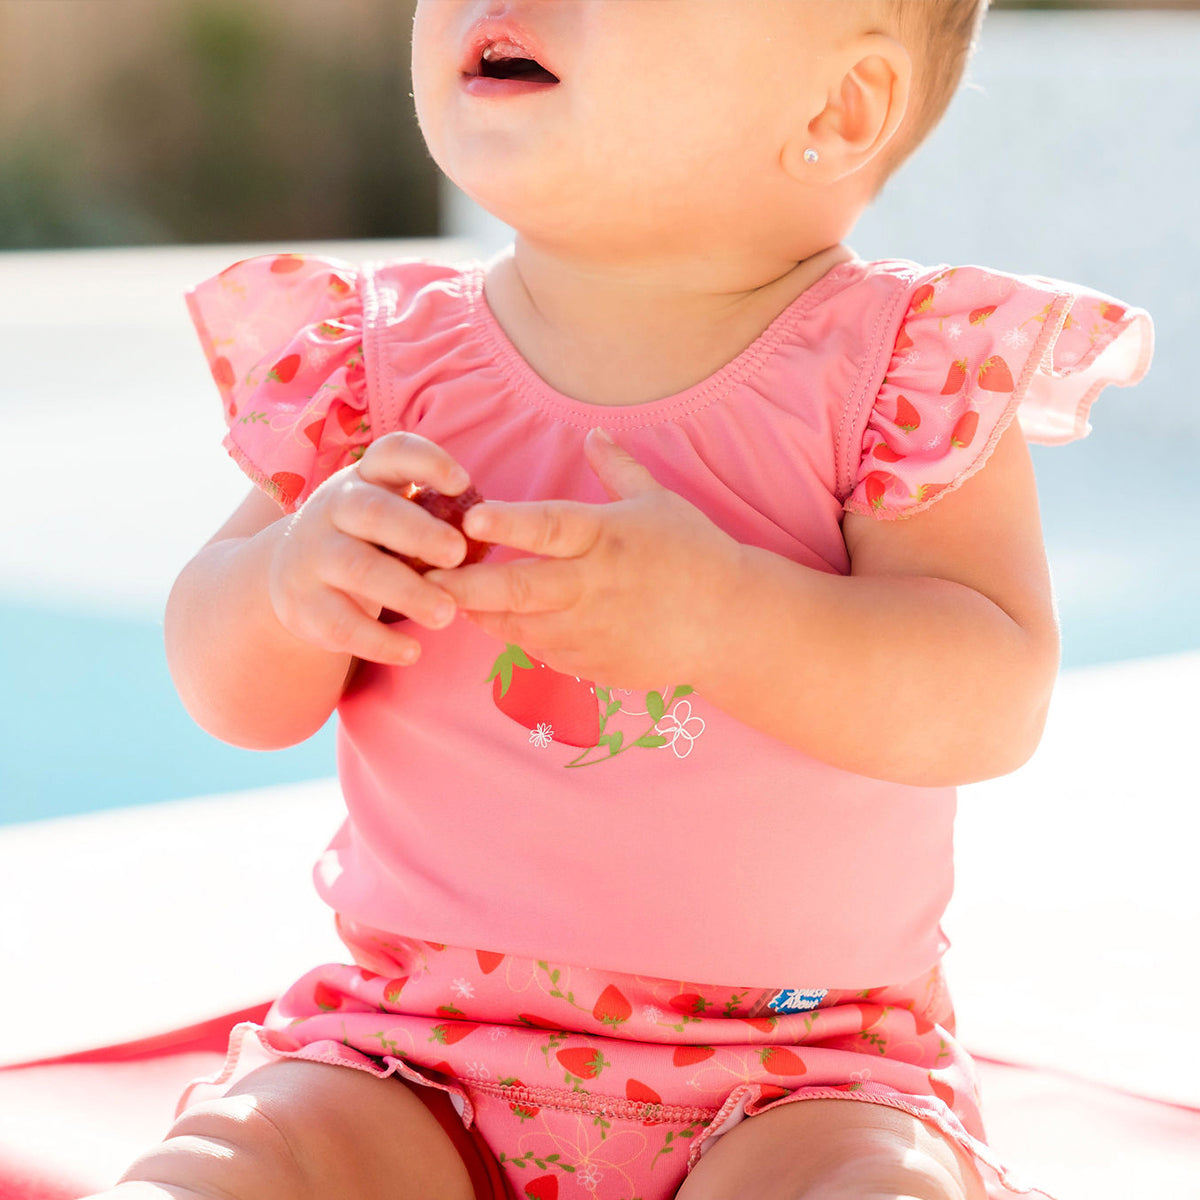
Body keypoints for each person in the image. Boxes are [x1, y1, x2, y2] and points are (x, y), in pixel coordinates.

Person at [99, 2, 1153, 1198]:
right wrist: (289, 589)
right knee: (250, 1159)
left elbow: (989, 698)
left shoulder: (895, 375)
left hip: (800, 1071)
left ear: (837, 108)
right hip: (407, 1057)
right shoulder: (379, 367)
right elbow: (224, 690)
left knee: (868, 1183)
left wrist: (734, 619)